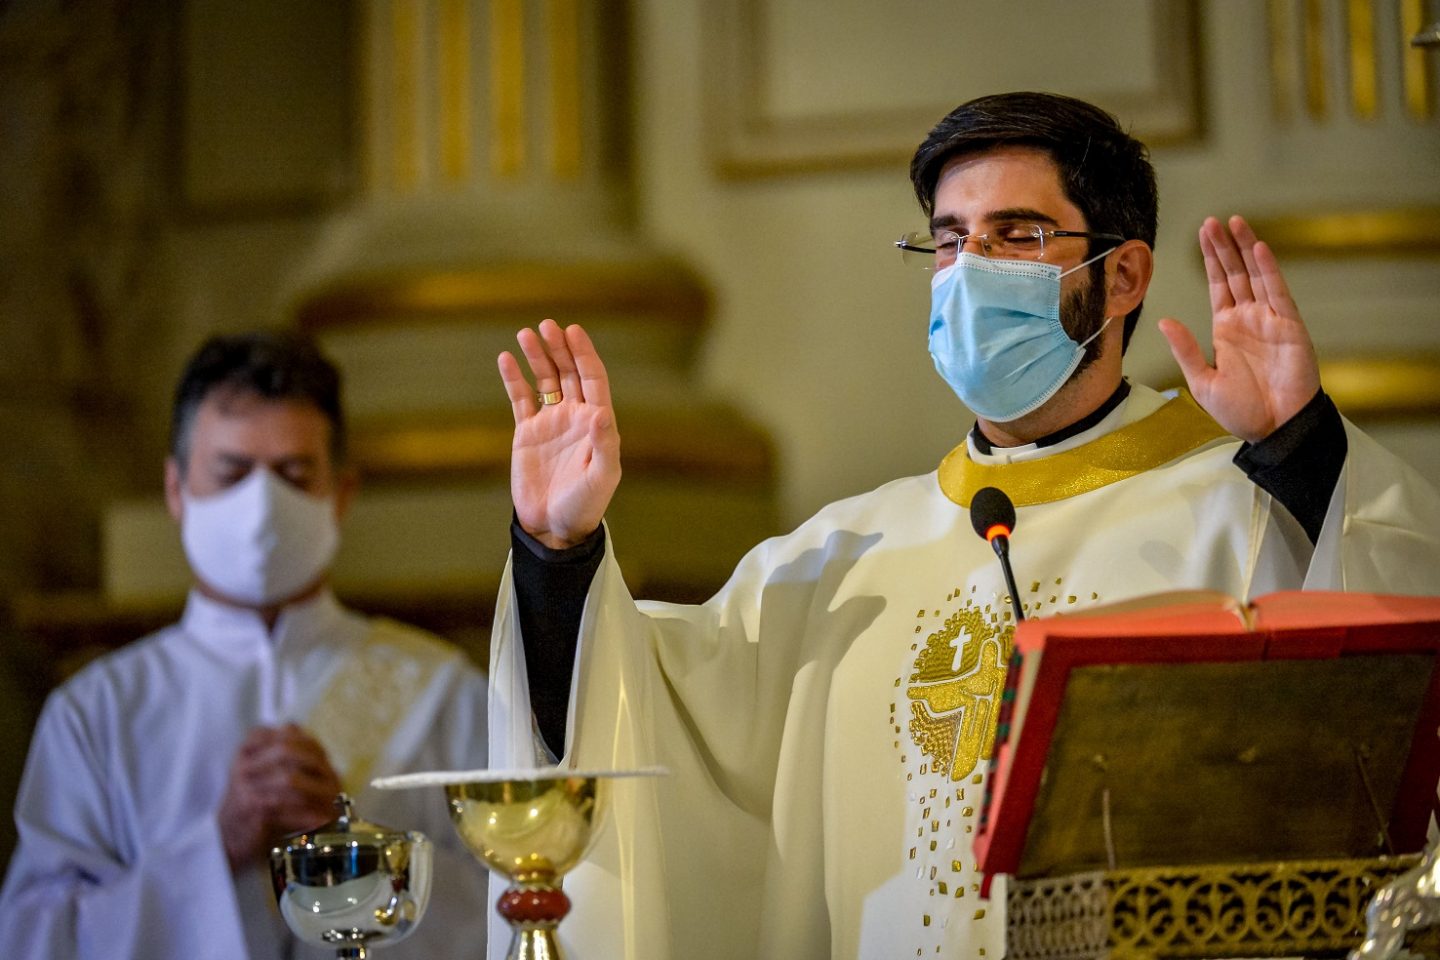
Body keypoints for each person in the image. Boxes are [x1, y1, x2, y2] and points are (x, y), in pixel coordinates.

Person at [486, 92, 1440, 959]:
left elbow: (1397, 681)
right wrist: (556, 553)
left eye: (1017, 235)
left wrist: (1305, 450)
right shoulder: (839, 560)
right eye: (948, 242)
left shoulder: (1252, 503)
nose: (970, 271)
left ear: (1123, 276)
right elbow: (640, 725)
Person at [0, 332, 490, 959]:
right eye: (231, 473)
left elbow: (515, 913)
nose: (262, 508)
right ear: (176, 490)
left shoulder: (445, 692)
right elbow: (34, 942)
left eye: (293, 474)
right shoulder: (96, 713)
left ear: (340, 495)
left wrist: (354, 853)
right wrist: (216, 847)